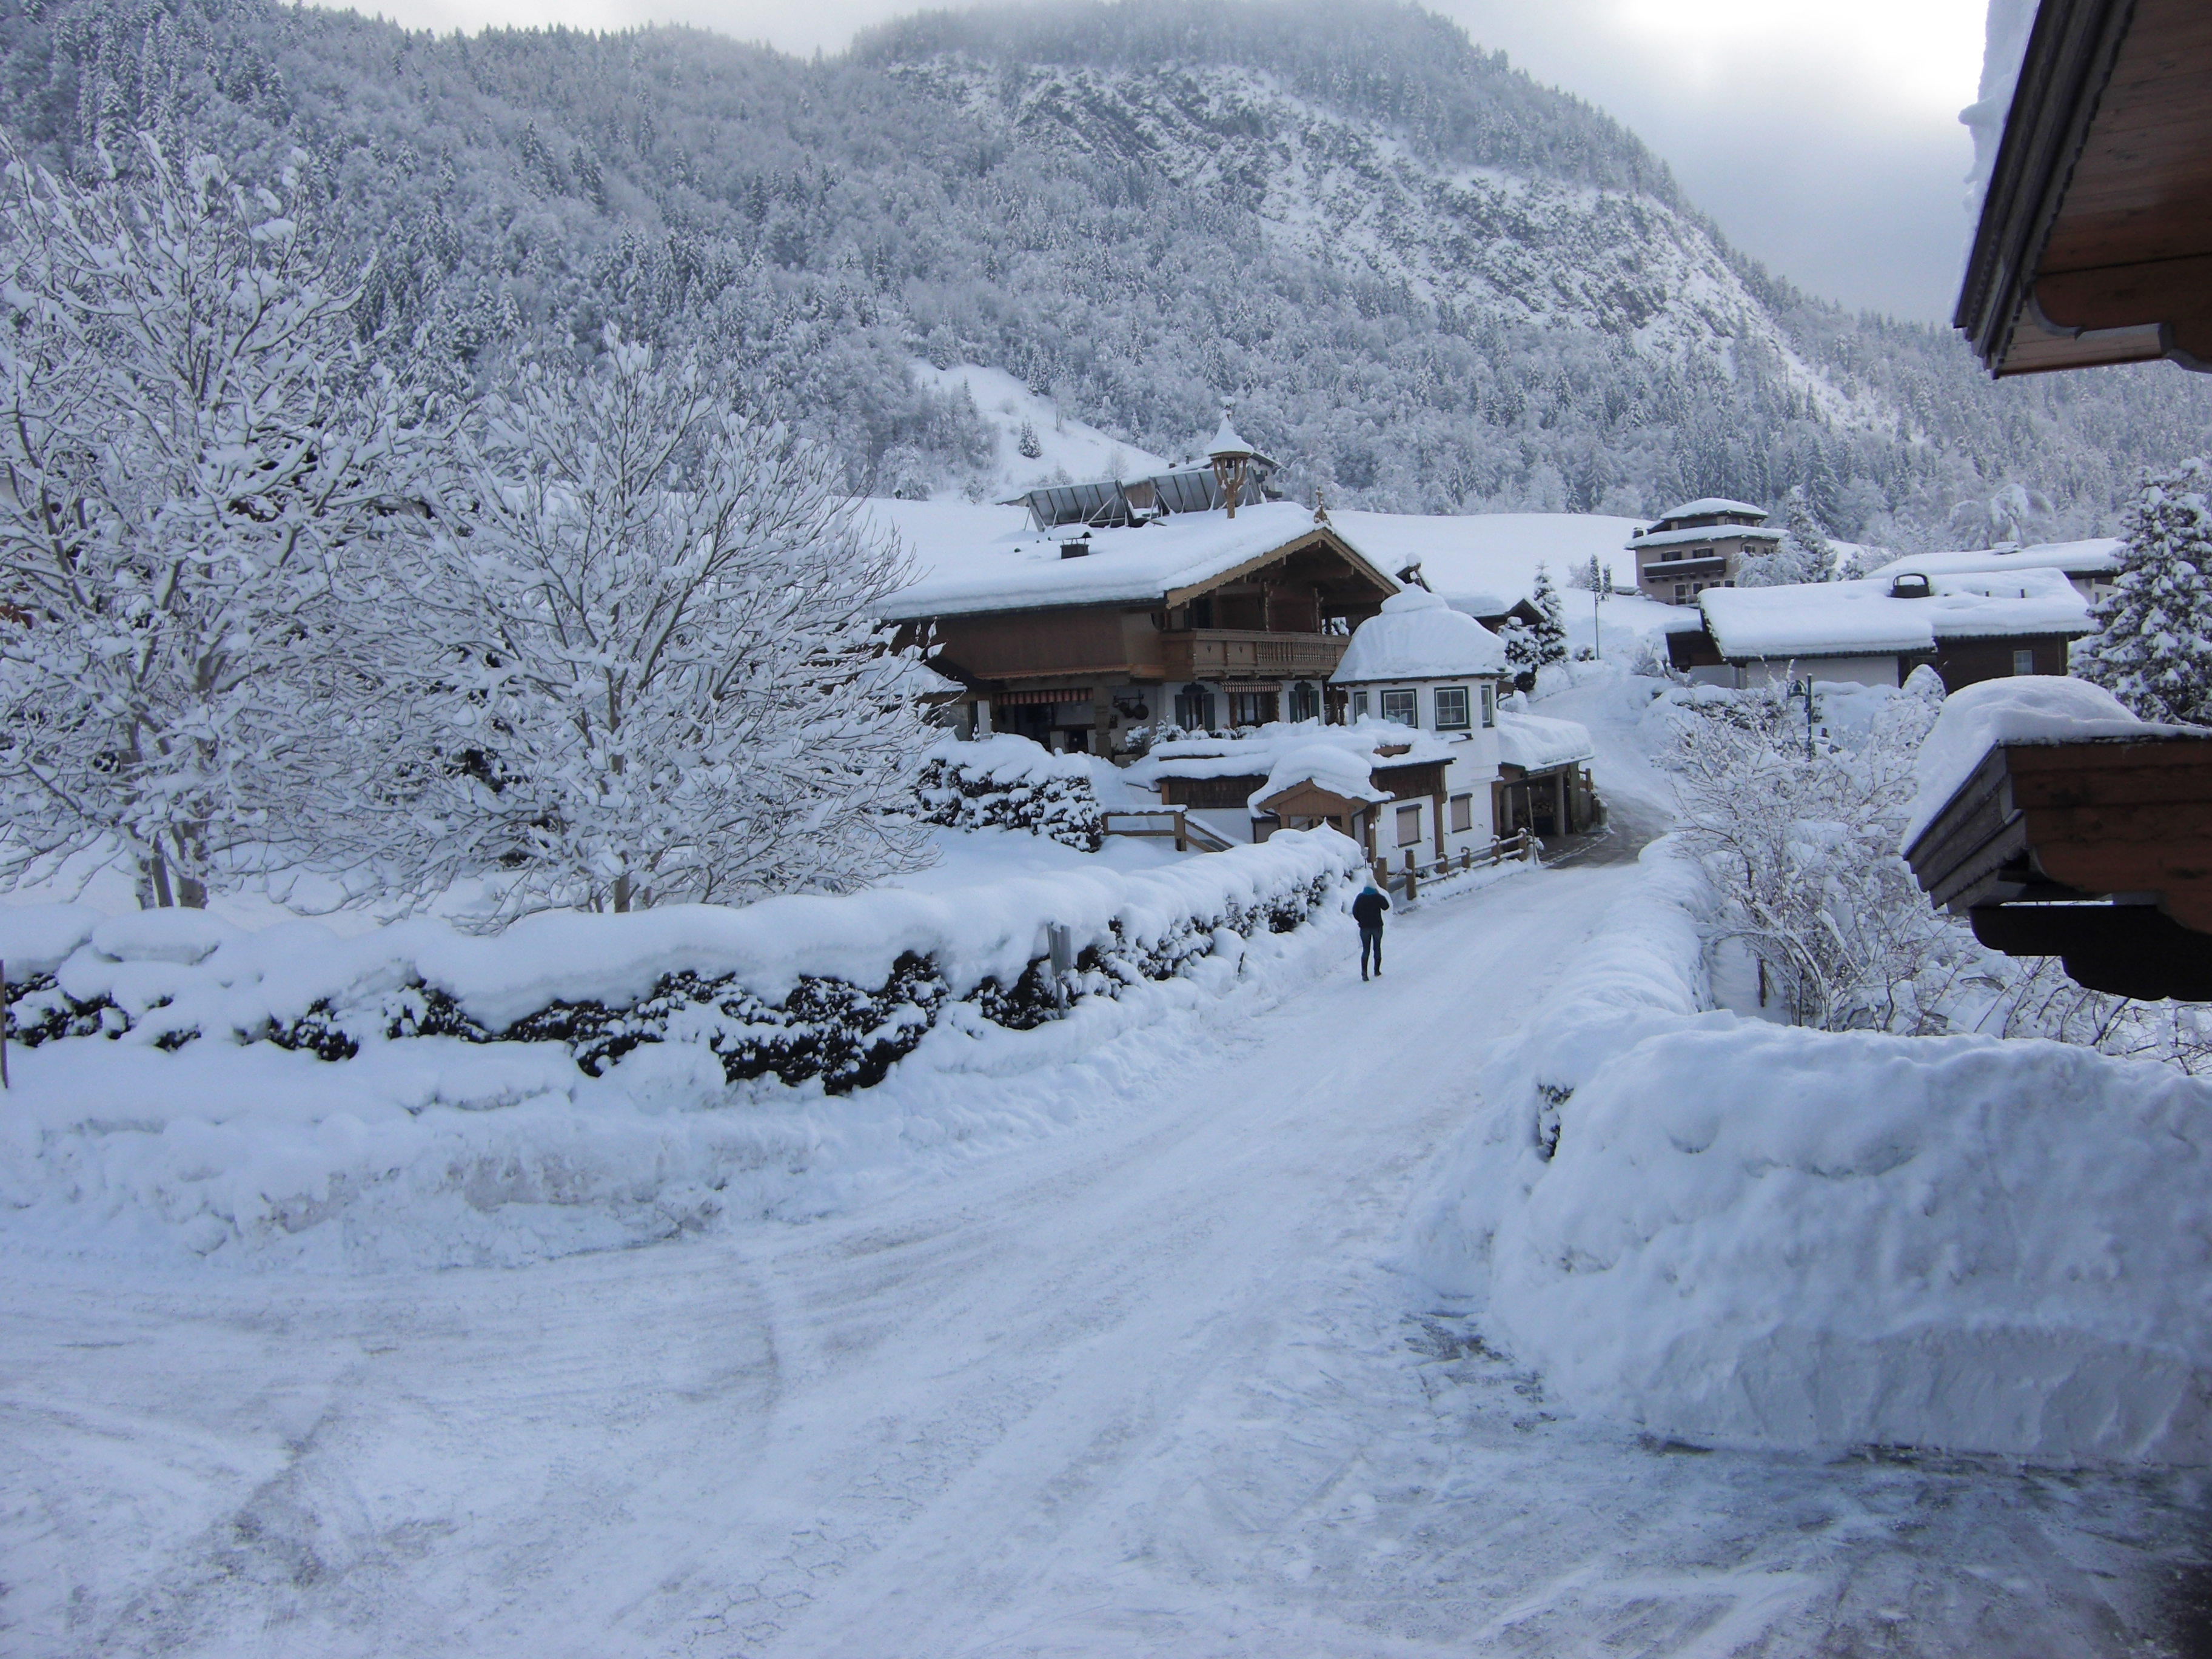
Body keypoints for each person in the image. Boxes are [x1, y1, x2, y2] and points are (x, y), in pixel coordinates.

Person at [1352, 877, 1390, 980]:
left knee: (1366, 950)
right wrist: (1379, 895)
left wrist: (1361, 920)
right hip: (1377, 926)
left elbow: (1355, 912)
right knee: (1377, 948)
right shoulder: (1377, 897)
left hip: (1364, 928)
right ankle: (1377, 971)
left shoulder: (1360, 897)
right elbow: (1386, 907)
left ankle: (1364, 973)